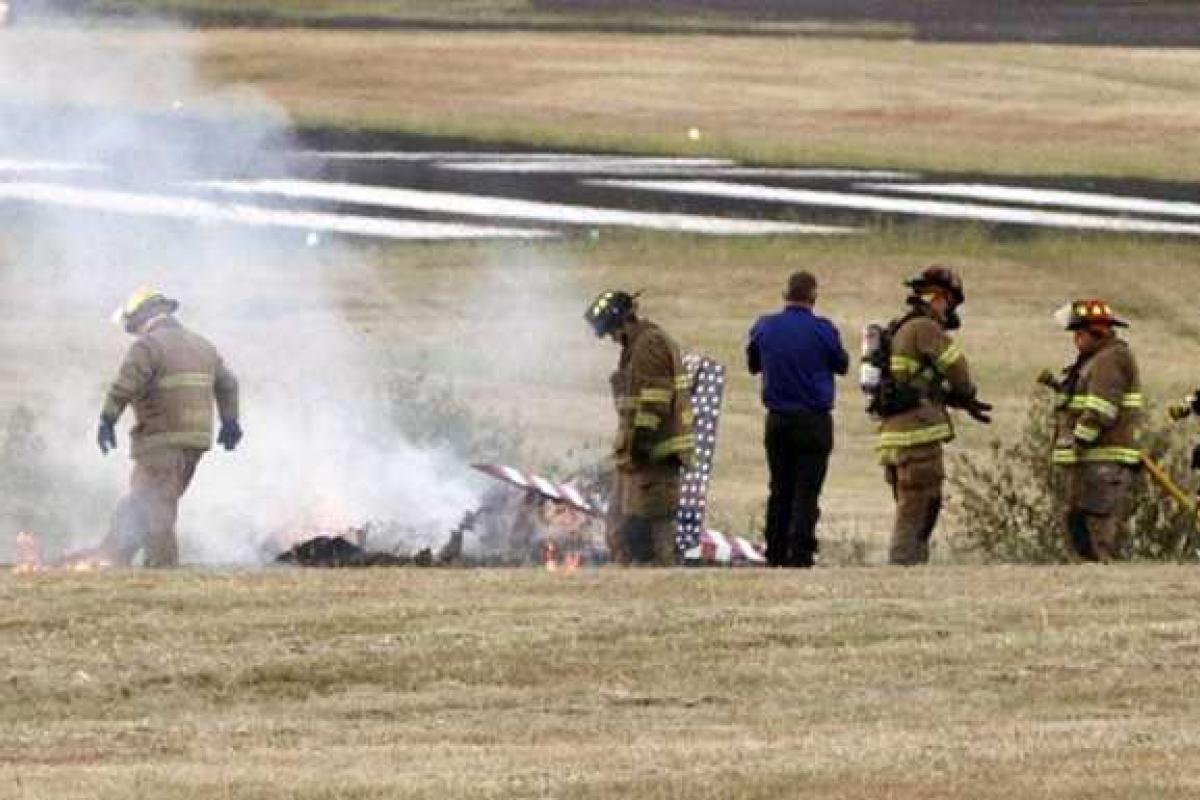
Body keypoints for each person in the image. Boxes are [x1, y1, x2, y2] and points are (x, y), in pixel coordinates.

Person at [95, 287, 241, 567]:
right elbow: (228, 383)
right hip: (195, 441)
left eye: (133, 324)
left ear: (141, 318)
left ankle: (162, 571)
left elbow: (124, 385)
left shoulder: (148, 346)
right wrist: (230, 421)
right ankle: (112, 556)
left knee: (155, 508)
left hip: (161, 439)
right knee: (143, 499)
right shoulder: (202, 345)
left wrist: (107, 420)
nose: (134, 331)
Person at [877, 266, 991, 565]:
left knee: (909, 505)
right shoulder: (926, 328)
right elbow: (956, 367)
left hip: (894, 434)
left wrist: (953, 398)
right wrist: (966, 394)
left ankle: (906, 564)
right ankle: (905, 569)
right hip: (917, 433)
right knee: (920, 507)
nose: (950, 311)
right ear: (939, 298)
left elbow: (917, 379)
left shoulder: (899, 327)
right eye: (950, 302)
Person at [746, 271, 848, 567]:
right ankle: (800, 554)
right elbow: (842, 365)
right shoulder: (823, 329)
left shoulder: (764, 327)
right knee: (807, 489)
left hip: (777, 420)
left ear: (784, 294)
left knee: (779, 487)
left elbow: (753, 364)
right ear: (813, 296)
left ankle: (774, 552)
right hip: (814, 421)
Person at [585, 290, 694, 566]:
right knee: (620, 529)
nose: (611, 338)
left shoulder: (649, 345)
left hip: (653, 456)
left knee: (652, 533)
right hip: (639, 456)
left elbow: (653, 404)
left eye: (612, 331)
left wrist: (640, 447)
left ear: (623, 322)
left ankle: (657, 583)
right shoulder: (636, 345)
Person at [1047, 300, 1142, 562]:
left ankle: (1102, 581)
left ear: (1097, 332)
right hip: (1092, 462)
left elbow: (1101, 409)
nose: (1075, 339)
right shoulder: (1094, 360)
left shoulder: (1110, 359)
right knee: (1080, 532)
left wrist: (1077, 442)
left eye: (1079, 332)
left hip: (1103, 461)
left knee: (1097, 534)